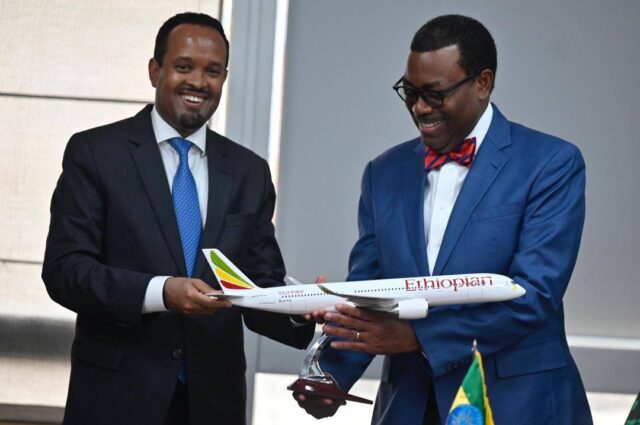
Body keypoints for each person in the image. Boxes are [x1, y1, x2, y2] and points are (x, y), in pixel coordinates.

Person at [295, 14, 592, 425]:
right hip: (409, 406)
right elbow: (368, 288)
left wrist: (417, 338)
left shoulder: (551, 163)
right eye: (410, 92)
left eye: (434, 94)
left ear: (483, 83)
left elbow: (535, 294)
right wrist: (330, 378)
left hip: (515, 405)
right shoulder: (383, 172)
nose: (419, 108)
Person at [42, 12, 313, 425]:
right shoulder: (96, 153)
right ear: (155, 71)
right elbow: (66, 271)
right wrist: (161, 292)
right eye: (184, 66)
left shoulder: (248, 172)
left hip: (212, 405)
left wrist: (303, 307)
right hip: (116, 400)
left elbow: (256, 284)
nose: (199, 83)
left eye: (213, 71)